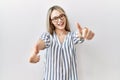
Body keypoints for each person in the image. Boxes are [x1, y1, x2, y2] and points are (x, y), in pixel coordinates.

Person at [29, 5, 95, 80]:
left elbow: (79, 35)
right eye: (55, 18)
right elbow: (41, 43)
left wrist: (84, 32)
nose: (60, 20)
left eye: (61, 16)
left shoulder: (72, 36)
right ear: (51, 22)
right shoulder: (48, 36)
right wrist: (35, 51)